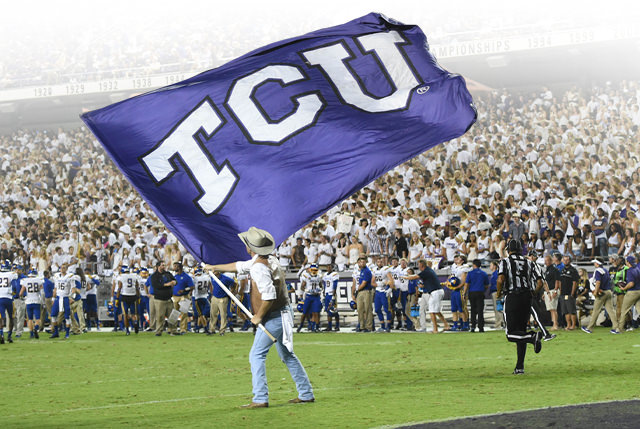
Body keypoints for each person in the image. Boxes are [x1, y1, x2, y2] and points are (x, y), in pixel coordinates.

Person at [204, 227, 314, 408]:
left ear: (251, 248)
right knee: (287, 355)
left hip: (275, 316)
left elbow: (269, 296)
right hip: (284, 312)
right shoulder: (267, 260)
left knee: (256, 355)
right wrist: (214, 267)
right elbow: (238, 265)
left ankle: (261, 398)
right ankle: (306, 393)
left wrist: (258, 316)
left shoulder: (259, 268)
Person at [496, 239, 544, 375]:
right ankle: (519, 367)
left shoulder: (505, 261)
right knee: (520, 332)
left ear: (508, 250)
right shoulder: (529, 262)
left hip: (513, 296)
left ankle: (532, 337)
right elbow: (539, 282)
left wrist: (499, 293)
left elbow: (500, 279)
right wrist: (533, 293)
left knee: (511, 334)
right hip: (526, 297)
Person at [406, 259, 449, 333]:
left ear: (421, 265)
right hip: (437, 291)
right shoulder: (428, 270)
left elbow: (413, 277)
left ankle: (435, 329)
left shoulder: (426, 271)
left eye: (419, 265)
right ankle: (446, 325)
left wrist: (404, 277)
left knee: (432, 311)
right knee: (437, 311)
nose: (418, 267)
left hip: (435, 292)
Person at [581, 259, 619, 334]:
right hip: (608, 291)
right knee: (611, 311)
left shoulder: (598, 271)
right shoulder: (605, 270)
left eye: (595, 263)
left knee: (596, 311)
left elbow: (598, 282)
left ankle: (590, 328)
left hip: (602, 292)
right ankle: (616, 328)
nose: (594, 264)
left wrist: (595, 292)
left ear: (597, 263)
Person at [151, 261, 177, 336]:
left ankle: (173, 330)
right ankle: (159, 331)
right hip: (159, 299)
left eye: (164, 265)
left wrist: (174, 282)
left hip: (169, 298)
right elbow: (156, 286)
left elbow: (174, 280)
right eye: (162, 265)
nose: (164, 266)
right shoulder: (154, 276)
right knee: (160, 316)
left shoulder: (167, 274)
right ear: (158, 266)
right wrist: (167, 284)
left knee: (172, 315)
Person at [616, 256, 640, 333]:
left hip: (632, 292)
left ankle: (619, 329)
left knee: (624, 310)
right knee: (639, 310)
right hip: (639, 291)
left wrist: (624, 288)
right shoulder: (637, 269)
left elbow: (631, 283)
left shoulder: (630, 271)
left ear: (628, 262)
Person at [19, 268, 44, 339]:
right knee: (38, 318)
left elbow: (21, 293)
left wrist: (22, 297)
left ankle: (31, 334)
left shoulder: (25, 281)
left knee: (29, 319)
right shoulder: (39, 280)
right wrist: (42, 300)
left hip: (28, 301)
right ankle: (36, 328)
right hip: (37, 301)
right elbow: (42, 292)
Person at [465, 259, 489, 332]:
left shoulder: (470, 273)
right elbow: (487, 285)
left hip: (472, 292)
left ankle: (473, 327)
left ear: (474, 265)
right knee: (480, 310)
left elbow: (467, 284)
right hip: (480, 292)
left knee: (473, 310)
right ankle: (481, 327)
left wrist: (464, 293)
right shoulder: (484, 273)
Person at [209, 271, 234, 336]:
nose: (213, 272)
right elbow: (211, 284)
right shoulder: (212, 277)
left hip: (223, 297)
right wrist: (212, 293)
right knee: (213, 314)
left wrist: (231, 292)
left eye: (215, 271)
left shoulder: (225, 278)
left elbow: (234, 283)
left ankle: (222, 331)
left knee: (223, 315)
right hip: (214, 297)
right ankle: (212, 330)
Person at [371, 256, 393, 332]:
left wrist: (389, 288)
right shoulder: (374, 270)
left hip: (384, 291)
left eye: (381, 262)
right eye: (378, 262)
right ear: (376, 262)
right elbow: (372, 282)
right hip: (378, 291)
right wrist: (378, 284)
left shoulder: (386, 269)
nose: (379, 263)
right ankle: (382, 326)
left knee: (387, 309)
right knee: (377, 309)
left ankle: (388, 326)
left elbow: (391, 280)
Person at [558, 255, 579, 330]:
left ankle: (574, 325)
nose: (566, 261)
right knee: (565, 311)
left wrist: (572, 293)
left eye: (567, 260)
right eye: (564, 260)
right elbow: (560, 281)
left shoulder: (573, 270)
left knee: (571, 310)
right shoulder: (562, 270)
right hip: (563, 293)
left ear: (570, 261)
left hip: (569, 293)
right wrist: (560, 291)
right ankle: (568, 325)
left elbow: (575, 282)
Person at [117, 265, 140, 335]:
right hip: (133, 296)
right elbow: (137, 287)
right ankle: (135, 322)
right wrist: (138, 297)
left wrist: (117, 298)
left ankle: (127, 330)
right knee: (133, 314)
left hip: (125, 296)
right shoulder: (134, 276)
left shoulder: (122, 277)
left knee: (125, 314)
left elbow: (119, 288)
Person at [172, 261, 194, 334]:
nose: (174, 268)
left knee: (184, 313)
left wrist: (184, 290)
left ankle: (183, 329)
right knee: (174, 313)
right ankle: (173, 328)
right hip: (175, 296)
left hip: (184, 296)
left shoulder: (187, 277)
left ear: (179, 267)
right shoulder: (174, 276)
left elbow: (192, 287)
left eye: (175, 266)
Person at [353, 256, 373, 332]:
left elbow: (364, 283)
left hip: (366, 291)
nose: (362, 263)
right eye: (360, 262)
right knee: (360, 309)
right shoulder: (361, 271)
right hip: (360, 291)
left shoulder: (367, 271)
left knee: (367, 309)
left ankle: (368, 327)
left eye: (363, 262)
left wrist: (357, 289)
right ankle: (361, 326)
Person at [542, 254, 561, 331]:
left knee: (553, 308)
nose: (546, 262)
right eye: (545, 261)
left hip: (553, 290)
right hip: (548, 291)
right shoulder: (547, 270)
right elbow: (546, 282)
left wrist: (555, 290)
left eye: (547, 260)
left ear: (551, 261)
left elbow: (557, 280)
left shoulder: (554, 270)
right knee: (550, 309)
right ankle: (554, 324)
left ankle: (555, 324)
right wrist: (545, 293)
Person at [0, 260, 16, 344]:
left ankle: (1, 334)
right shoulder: (11, 274)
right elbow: (15, 287)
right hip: (9, 298)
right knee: (11, 317)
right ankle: (9, 336)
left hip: (0, 298)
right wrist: (13, 293)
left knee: (1, 317)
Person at [321, 266, 340, 331]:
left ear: (332, 268)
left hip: (332, 294)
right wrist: (324, 291)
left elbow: (335, 285)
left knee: (334, 310)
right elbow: (325, 284)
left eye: (330, 267)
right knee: (328, 310)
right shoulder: (325, 274)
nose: (328, 268)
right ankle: (329, 326)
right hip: (327, 294)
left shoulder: (334, 274)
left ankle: (337, 326)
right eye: (327, 267)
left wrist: (333, 295)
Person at [488, 261, 503, 329]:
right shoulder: (494, 274)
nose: (489, 267)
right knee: (497, 308)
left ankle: (499, 324)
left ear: (494, 266)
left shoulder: (496, 273)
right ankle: (498, 323)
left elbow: (499, 283)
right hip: (495, 292)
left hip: (497, 292)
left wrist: (499, 292)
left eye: (491, 265)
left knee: (498, 308)